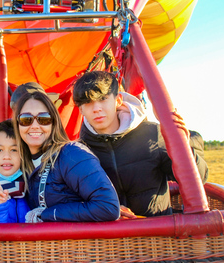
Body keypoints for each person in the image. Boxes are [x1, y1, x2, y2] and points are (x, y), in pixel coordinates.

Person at [73, 71, 208, 217]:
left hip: (159, 232)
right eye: (88, 103)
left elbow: (199, 178)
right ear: (81, 109)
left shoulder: (153, 134)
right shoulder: (78, 151)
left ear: (118, 100)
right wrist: (107, 209)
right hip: (111, 237)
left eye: (103, 99)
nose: (97, 108)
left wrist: (183, 146)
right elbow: (71, 199)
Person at [12, 87, 120, 223]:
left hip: (80, 244)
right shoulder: (21, 166)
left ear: (54, 123)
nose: (34, 125)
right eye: (26, 119)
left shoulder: (70, 154)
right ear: (17, 125)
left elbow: (107, 207)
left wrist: (46, 214)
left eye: (43, 119)